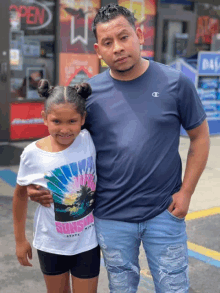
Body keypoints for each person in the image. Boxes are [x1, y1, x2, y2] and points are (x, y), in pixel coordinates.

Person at [27, 4, 210, 293]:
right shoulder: (87, 95)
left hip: (164, 212)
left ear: (139, 35)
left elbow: (200, 137)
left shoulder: (175, 83)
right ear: (99, 50)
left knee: (173, 288)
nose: (118, 48)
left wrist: (186, 192)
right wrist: (38, 183)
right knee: (121, 289)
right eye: (108, 43)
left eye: (124, 37)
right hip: (110, 216)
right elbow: (64, 144)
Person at [13, 80, 100, 293]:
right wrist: (20, 240)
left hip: (87, 244)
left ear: (83, 119)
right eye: (56, 121)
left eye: (72, 121)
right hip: (51, 244)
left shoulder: (88, 139)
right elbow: (20, 195)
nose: (64, 129)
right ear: (44, 118)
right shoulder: (32, 154)